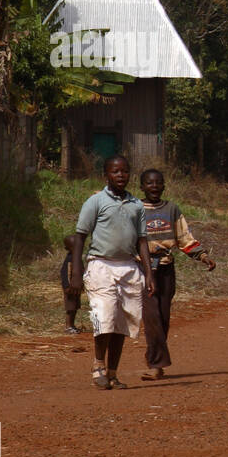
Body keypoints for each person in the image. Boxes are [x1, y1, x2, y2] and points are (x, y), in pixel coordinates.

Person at [69, 156, 155, 390]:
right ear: (106, 174)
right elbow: (80, 237)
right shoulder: (95, 202)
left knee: (123, 323)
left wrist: (149, 273)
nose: (121, 175)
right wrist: (77, 271)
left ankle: (113, 372)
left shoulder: (136, 205)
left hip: (128, 267)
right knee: (104, 318)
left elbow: (143, 241)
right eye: (115, 171)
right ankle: (98, 366)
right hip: (101, 265)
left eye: (125, 171)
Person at [139, 169, 216, 380]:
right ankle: (155, 365)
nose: (154, 187)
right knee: (152, 316)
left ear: (164, 186)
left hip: (165, 269)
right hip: (144, 270)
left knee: (163, 317)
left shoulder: (172, 209)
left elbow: (184, 238)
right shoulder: (134, 209)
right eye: (149, 183)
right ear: (142, 187)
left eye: (158, 183)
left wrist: (202, 256)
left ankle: (155, 360)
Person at [61, 233, 82, 334]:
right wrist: (67, 286)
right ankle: (68, 326)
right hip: (70, 289)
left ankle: (72, 325)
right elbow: (65, 273)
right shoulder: (70, 259)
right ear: (68, 248)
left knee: (75, 307)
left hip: (76, 288)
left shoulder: (76, 258)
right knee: (70, 308)